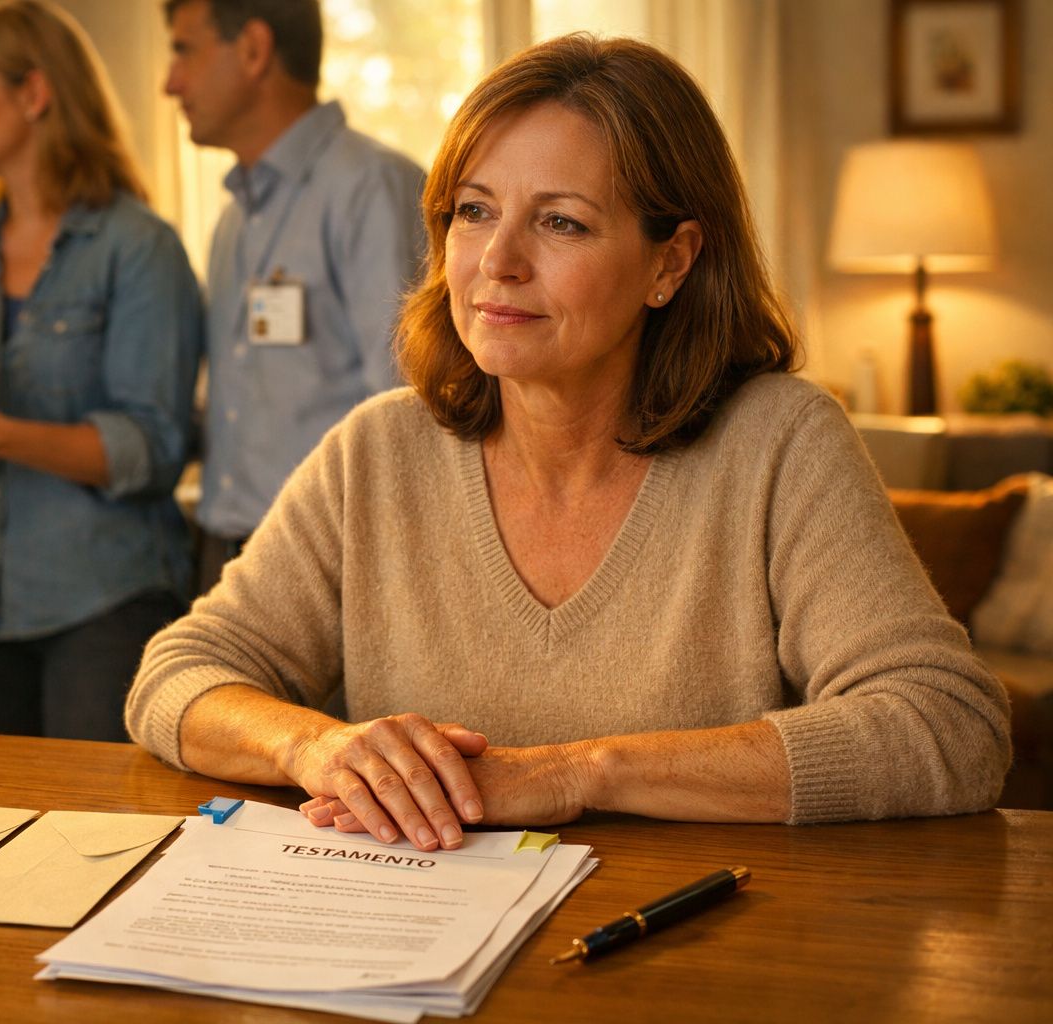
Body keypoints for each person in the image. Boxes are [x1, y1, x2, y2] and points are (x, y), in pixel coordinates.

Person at [126, 35, 1012, 847]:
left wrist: (579, 771)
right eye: (474, 211)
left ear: (671, 262)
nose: (497, 261)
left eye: (561, 222)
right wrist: (316, 747)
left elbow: (948, 724)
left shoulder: (780, 443)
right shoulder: (376, 452)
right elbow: (177, 676)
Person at [0, 0, 202, 742]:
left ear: (34, 95)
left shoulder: (139, 248)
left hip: (101, 601)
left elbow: (150, 452)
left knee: (96, 841)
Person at [162, 0, 426, 592]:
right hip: (225, 553)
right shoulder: (234, 219)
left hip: (332, 565)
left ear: (254, 49)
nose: (168, 83)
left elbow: (411, 408)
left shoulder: (372, 188)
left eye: (183, 50)